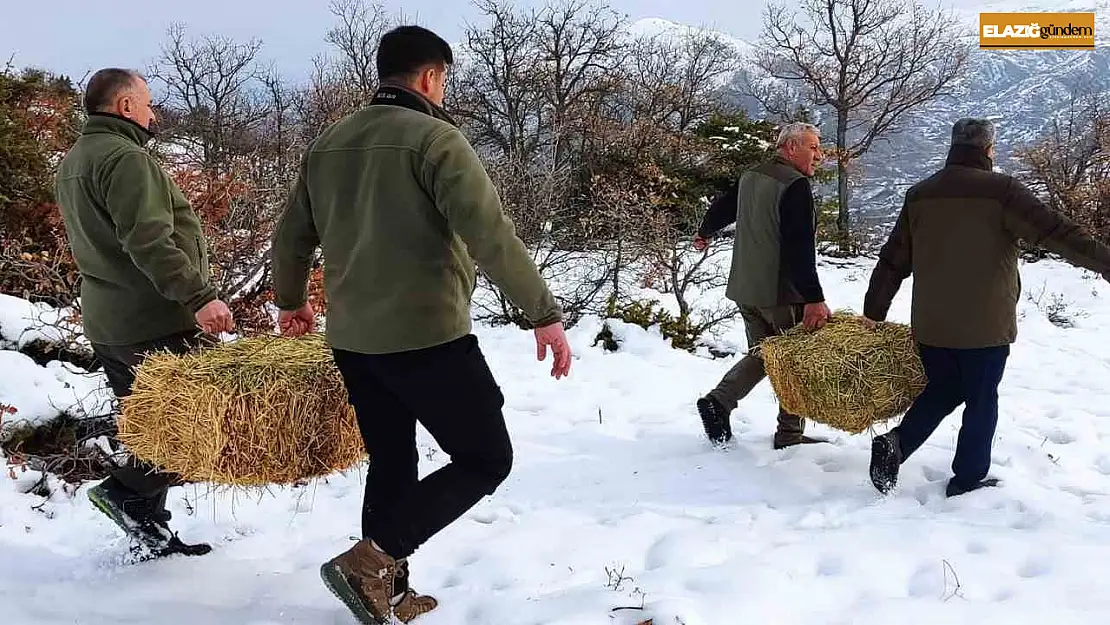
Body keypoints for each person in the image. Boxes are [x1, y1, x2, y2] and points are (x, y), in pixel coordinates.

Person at [270, 25, 573, 624]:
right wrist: (543, 313)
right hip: (427, 336)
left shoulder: (329, 143)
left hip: (353, 338)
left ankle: (388, 588)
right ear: (432, 77)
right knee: (486, 458)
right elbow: (491, 234)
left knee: (392, 459)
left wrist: (291, 300)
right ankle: (372, 560)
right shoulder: (436, 140)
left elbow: (292, 234)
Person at [864, 117, 1110, 498]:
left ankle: (898, 443)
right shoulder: (1002, 192)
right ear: (988, 149)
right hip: (985, 326)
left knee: (944, 389)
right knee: (981, 399)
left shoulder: (920, 194)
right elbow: (1059, 233)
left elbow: (893, 260)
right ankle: (968, 479)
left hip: (932, 325)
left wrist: (873, 312)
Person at [54, 68, 235, 556]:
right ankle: (125, 493)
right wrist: (200, 297)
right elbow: (149, 241)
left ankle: (150, 534)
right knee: (196, 427)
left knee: (149, 429)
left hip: (110, 323)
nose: (154, 114)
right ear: (126, 107)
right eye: (149, 103)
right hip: (156, 323)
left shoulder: (75, 160)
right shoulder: (126, 159)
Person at [692, 122, 832, 450]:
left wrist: (705, 231)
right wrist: (814, 298)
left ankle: (719, 401)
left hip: (746, 287)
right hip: (781, 292)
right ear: (790, 147)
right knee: (794, 360)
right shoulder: (794, 185)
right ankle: (790, 435)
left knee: (765, 355)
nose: (819, 155)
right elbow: (799, 248)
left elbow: (725, 206)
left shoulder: (752, 174)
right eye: (813, 147)